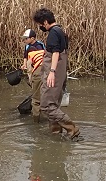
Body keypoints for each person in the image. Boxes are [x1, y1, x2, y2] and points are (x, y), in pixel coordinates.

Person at [32, 8, 81, 140]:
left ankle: (72, 129)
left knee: (46, 106)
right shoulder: (61, 31)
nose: (41, 27)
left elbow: (55, 53)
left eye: (41, 25)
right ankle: (55, 132)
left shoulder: (53, 33)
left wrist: (52, 72)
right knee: (53, 104)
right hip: (60, 73)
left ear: (46, 22)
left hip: (53, 73)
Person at [22, 28, 47, 122]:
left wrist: (30, 73)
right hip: (43, 70)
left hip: (37, 71)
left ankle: (36, 121)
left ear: (32, 38)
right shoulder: (27, 46)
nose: (24, 40)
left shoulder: (39, 46)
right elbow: (26, 57)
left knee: (36, 99)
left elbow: (32, 62)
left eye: (26, 38)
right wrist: (24, 64)